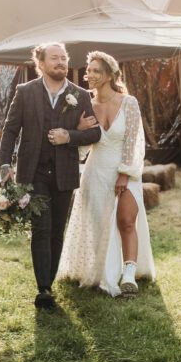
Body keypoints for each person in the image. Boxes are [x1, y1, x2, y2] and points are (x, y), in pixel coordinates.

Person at [0, 42, 102, 309]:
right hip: (33, 173)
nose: (61, 62)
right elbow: (10, 131)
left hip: (65, 173)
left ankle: (49, 282)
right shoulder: (25, 92)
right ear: (41, 63)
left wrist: (70, 136)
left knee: (57, 232)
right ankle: (43, 289)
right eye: (54, 58)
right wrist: (5, 166)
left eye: (64, 58)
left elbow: (94, 133)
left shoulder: (79, 94)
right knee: (41, 229)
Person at [56, 50, 155, 296]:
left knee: (126, 221)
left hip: (125, 170)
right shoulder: (85, 105)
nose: (89, 75)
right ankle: (101, 271)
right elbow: (81, 151)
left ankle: (129, 275)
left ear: (110, 74)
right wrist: (78, 129)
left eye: (96, 70)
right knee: (98, 224)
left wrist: (125, 173)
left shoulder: (129, 103)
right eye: (88, 70)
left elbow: (134, 140)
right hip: (95, 172)